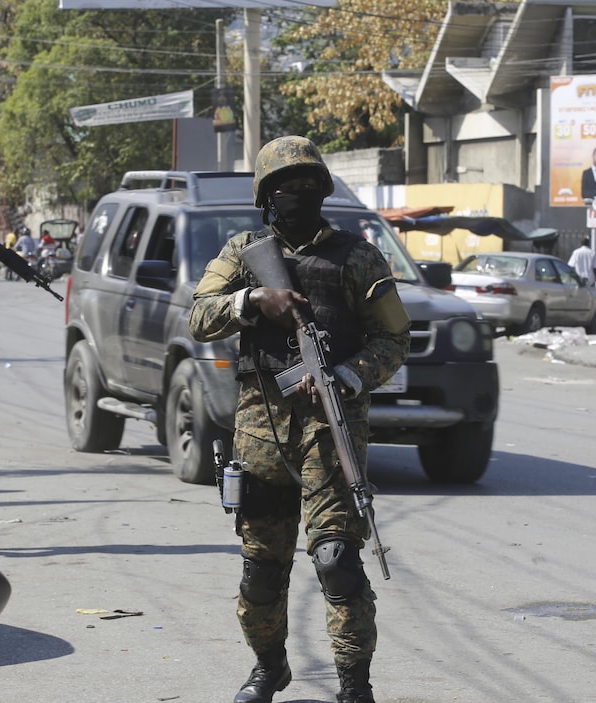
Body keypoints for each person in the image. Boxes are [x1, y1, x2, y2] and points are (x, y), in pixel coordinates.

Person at [189, 135, 411, 703]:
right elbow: (199, 315)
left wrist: (348, 374)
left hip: (330, 433)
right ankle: (270, 668)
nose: (301, 193)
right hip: (259, 433)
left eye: (311, 184)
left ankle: (354, 685)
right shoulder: (243, 252)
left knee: (337, 562)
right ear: (267, 195)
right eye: (288, 186)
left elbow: (394, 337)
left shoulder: (357, 256)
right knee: (261, 570)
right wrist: (253, 301)